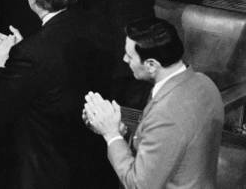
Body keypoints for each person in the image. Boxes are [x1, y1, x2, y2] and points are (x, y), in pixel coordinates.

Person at [0, 0, 109, 189]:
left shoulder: (32, 54)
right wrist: (21, 52)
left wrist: (3, 61)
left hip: (49, 169)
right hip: (93, 159)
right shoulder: (98, 26)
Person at [84, 18, 223, 189]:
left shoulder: (167, 115)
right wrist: (122, 130)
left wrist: (111, 134)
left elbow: (139, 184)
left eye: (129, 55)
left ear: (151, 65)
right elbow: (169, 145)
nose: (125, 59)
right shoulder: (204, 83)